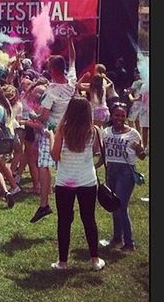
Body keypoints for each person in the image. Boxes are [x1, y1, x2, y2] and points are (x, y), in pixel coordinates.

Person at [49, 96, 105, 271]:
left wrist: (51, 136)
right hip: (87, 180)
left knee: (64, 221)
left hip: (65, 181)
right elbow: (96, 150)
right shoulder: (93, 130)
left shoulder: (63, 130)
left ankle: (63, 262)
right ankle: (95, 260)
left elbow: (54, 155)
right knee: (89, 219)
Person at [30, 35, 77, 223]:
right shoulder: (72, 81)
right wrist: (70, 41)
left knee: (44, 164)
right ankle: (70, 204)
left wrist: (32, 116)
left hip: (52, 132)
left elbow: (44, 117)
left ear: (53, 69)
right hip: (70, 130)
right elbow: (73, 59)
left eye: (49, 67)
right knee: (65, 166)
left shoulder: (51, 91)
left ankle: (44, 204)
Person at [101, 102, 146, 251]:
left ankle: (129, 243)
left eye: (123, 115)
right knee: (113, 205)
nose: (120, 118)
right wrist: (93, 167)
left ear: (126, 116)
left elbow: (141, 157)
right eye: (117, 115)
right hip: (111, 170)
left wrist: (140, 150)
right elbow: (103, 155)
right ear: (112, 116)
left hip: (126, 172)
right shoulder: (106, 132)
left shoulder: (133, 133)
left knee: (121, 206)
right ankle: (116, 238)